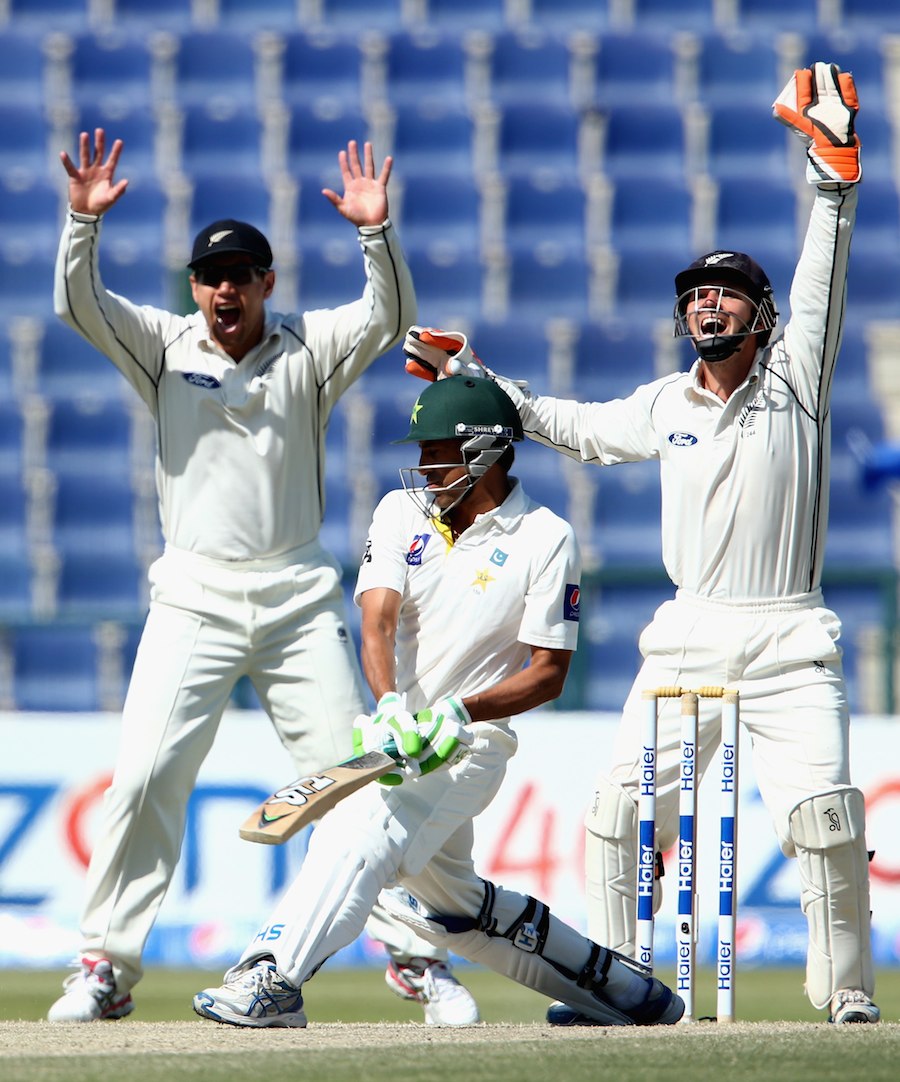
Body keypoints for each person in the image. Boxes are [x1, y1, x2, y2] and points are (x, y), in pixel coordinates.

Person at [402, 64, 879, 1026]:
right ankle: (619, 989)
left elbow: (823, 274)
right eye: (697, 296)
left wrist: (831, 180)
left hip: (790, 638)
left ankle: (847, 998)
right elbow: (564, 423)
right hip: (688, 635)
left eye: (728, 296)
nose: (709, 307)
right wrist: (476, 378)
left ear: (761, 315)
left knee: (825, 823)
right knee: (619, 816)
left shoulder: (797, 383)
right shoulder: (664, 405)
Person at [47, 129, 477, 1026]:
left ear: (267, 283)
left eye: (241, 274)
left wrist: (375, 232)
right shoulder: (165, 346)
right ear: (195, 289)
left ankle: (414, 957)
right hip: (193, 598)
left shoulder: (307, 349)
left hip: (294, 599)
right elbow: (81, 308)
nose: (225, 290)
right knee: (145, 776)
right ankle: (107, 967)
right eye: (211, 277)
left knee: (352, 782)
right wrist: (81, 224)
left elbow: (388, 316)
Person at [191, 374, 685, 1029]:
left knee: (358, 825)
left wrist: (456, 713)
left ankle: (273, 976)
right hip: (396, 738)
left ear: (483, 452)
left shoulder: (545, 536)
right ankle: (624, 993)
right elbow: (378, 621)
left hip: (471, 745)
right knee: (454, 905)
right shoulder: (403, 513)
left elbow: (548, 674)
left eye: (435, 451)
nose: (423, 466)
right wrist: (393, 704)